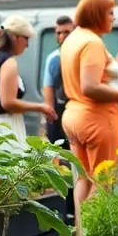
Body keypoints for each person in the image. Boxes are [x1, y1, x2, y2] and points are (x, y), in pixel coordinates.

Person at [60, 0, 118, 203]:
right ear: (96, 14)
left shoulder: (73, 39)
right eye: (110, 13)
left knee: (83, 179)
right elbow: (90, 86)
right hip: (97, 118)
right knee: (103, 181)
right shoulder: (92, 43)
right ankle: (93, 233)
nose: (113, 18)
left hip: (74, 116)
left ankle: (80, 233)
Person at [0, 14, 55, 145]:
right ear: (15, 37)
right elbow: (8, 103)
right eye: (26, 38)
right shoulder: (8, 62)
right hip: (5, 126)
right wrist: (41, 107)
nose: (27, 45)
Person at [42, 15, 75, 146]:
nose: (62, 36)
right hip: (60, 110)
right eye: (59, 33)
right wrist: (50, 114)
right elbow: (48, 87)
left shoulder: (83, 55)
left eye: (66, 32)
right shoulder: (53, 58)